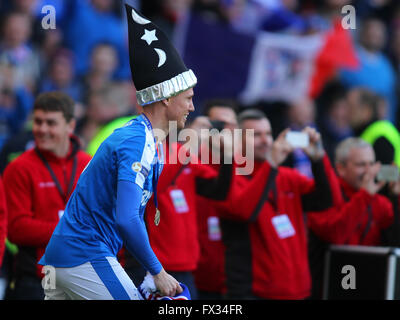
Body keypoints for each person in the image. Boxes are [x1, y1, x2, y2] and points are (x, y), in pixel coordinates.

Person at [39, 5, 198, 300]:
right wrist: (157, 270)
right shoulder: (137, 140)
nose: (191, 106)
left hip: (68, 256)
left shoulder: (144, 137)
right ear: (165, 99)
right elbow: (127, 218)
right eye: (188, 98)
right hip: (85, 254)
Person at [216, 109, 342, 300]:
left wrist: (319, 159)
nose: (266, 140)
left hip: (298, 292)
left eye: (268, 134)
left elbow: (330, 200)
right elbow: (244, 211)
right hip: (254, 293)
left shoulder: (287, 176)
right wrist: (272, 163)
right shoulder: (228, 178)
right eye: (256, 135)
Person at [3, 91, 91, 300]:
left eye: (51, 123)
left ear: (70, 126)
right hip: (35, 282)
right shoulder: (19, 168)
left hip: (83, 279)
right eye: (38, 122)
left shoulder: (89, 165)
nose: (42, 129)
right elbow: (16, 229)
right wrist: (71, 229)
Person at [307, 138, 396, 299]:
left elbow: (395, 241)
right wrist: (365, 196)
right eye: (361, 165)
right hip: (329, 288)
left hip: (369, 286)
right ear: (340, 168)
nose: (369, 171)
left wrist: (397, 198)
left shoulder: (381, 203)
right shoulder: (323, 195)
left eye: (371, 164)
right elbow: (336, 234)